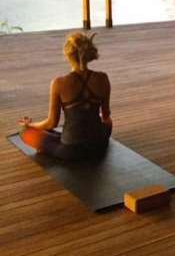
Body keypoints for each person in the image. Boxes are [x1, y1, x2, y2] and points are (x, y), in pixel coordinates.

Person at [18, 32, 112, 160]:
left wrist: (31, 125)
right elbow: (105, 115)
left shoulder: (58, 83)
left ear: (68, 55)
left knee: (25, 132)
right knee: (108, 122)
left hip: (71, 150)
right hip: (99, 144)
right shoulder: (103, 78)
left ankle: (48, 143)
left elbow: (52, 123)